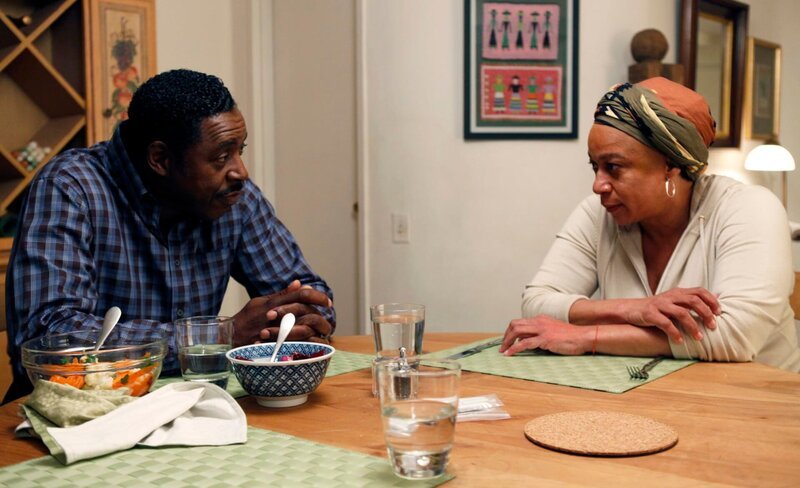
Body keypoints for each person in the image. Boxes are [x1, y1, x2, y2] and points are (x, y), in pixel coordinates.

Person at [4, 69, 336, 402]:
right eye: (222, 156)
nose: (241, 172)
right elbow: (48, 338)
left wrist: (300, 321)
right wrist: (220, 336)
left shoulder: (234, 197)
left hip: (189, 410)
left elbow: (305, 291)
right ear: (160, 159)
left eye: (240, 151)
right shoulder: (70, 188)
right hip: (69, 421)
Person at [500, 77, 800, 372]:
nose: (597, 186)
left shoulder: (749, 208)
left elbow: (735, 335)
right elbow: (537, 303)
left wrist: (585, 335)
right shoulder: (599, 213)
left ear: (670, 164)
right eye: (595, 167)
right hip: (656, 398)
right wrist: (635, 308)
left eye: (613, 167)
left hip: (759, 403)